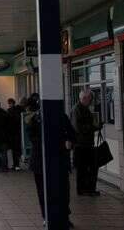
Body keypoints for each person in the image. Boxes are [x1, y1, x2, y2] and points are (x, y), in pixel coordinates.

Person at [26, 93, 75, 228]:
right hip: (45, 161)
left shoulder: (57, 117)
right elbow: (32, 137)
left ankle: (60, 216)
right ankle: (49, 216)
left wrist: (69, 141)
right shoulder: (37, 119)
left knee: (59, 191)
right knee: (48, 191)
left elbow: (72, 134)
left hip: (54, 161)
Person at [71, 90, 101, 196]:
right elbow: (77, 128)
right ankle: (83, 189)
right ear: (84, 98)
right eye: (90, 99)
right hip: (81, 144)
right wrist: (94, 127)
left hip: (87, 143)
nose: (91, 101)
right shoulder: (77, 110)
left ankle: (88, 188)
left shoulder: (84, 109)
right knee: (82, 168)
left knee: (89, 167)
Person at [7, 98, 24, 170]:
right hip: (17, 132)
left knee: (13, 149)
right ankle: (17, 165)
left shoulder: (9, 111)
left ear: (12, 103)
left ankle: (15, 164)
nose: (9, 105)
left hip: (12, 133)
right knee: (16, 149)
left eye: (9, 103)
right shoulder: (19, 110)